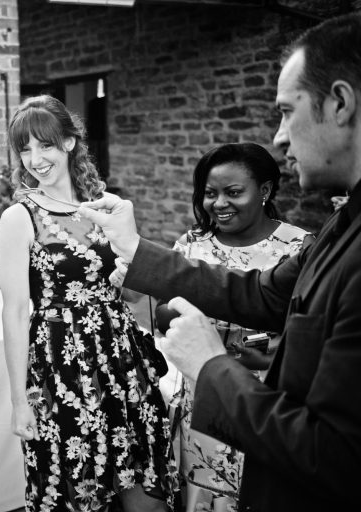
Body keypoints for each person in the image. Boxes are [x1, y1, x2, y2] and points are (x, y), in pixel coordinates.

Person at [78, 12, 361, 512]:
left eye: (286, 111)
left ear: (340, 103)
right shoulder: (343, 223)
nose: (279, 137)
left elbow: (337, 455)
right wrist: (135, 248)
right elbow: (260, 292)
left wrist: (212, 366)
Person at [0, 95, 178, 512]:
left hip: (121, 360)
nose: (35, 159)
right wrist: (19, 401)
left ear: (69, 142)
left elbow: (135, 293)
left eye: (45, 145)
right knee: (79, 492)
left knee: (146, 496)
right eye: (25, 149)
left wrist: (127, 271)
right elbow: (15, 312)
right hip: (61, 368)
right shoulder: (19, 217)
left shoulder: (106, 206)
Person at [153, 143, 312, 511]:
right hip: (202, 400)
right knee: (205, 496)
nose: (219, 203)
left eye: (233, 192)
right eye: (210, 193)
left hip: (265, 403)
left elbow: (308, 328)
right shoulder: (192, 244)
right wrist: (181, 312)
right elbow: (161, 312)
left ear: (265, 191)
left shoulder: (298, 247)